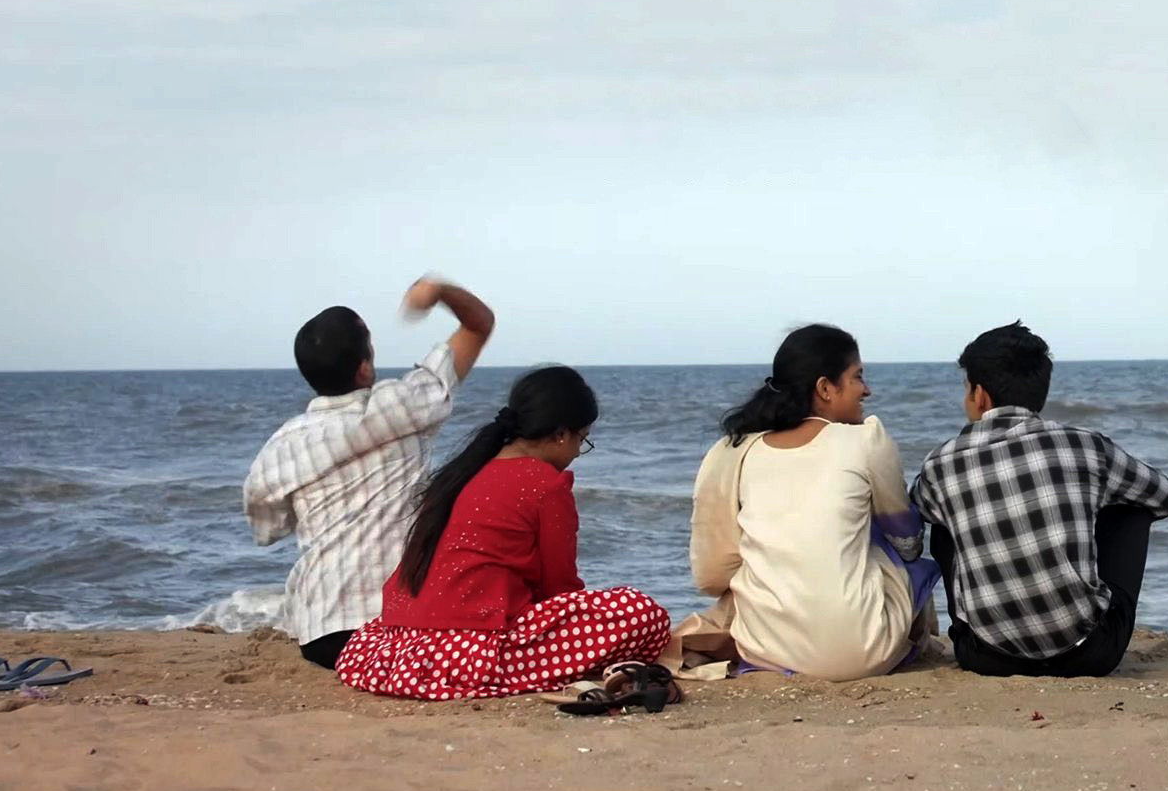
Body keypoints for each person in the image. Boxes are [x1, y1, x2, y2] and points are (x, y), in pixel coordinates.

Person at [335, 366, 671, 700]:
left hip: (399, 646)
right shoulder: (547, 484)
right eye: (581, 440)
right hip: (468, 649)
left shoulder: (463, 472)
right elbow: (559, 587)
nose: (575, 454)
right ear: (561, 434)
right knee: (642, 612)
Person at [243, 276, 494, 669]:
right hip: (399, 626)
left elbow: (268, 530)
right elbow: (478, 325)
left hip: (321, 632)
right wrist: (439, 291)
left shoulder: (280, 447)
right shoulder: (404, 406)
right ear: (363, 370)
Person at [911, 321, 1168, 678]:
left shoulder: (940, 463)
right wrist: (1086, 507)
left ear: (979, 395)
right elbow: (1163, 497)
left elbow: (916, 511)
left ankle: (980, 623)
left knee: (943, 521)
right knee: (1133, 507)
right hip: (1091, 654)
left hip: (986, 658)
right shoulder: (1085, 445)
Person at [685, 324, 937, 681]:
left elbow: (711, 575)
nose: (867, 390)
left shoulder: (734, 451)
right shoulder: (866, 440)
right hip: (863, 654)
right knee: (885, 539)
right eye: (857, 377)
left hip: (766, 649)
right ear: (825, 388)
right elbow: (908, 543)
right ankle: (917, 639)